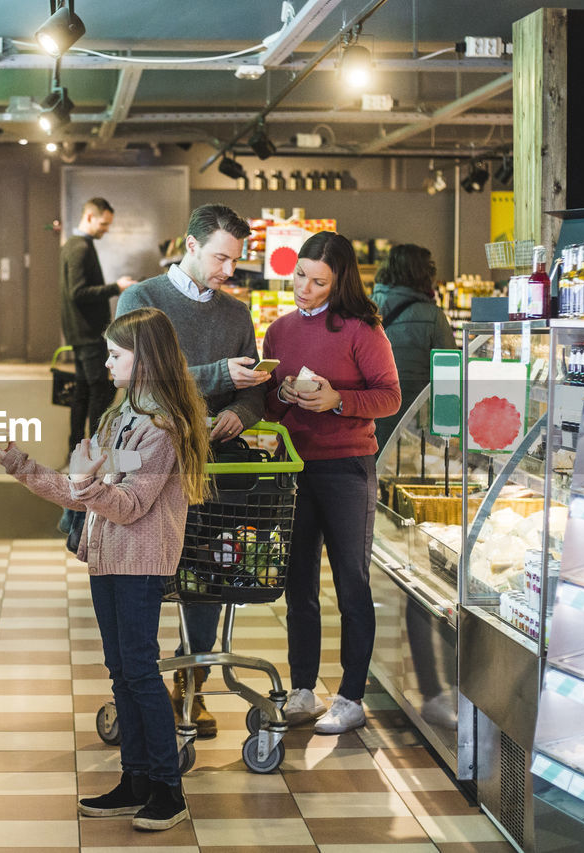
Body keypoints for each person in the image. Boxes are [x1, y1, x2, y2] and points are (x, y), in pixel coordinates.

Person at [0, 307, 210, 832]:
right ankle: (135, 781)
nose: (105, 363)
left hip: (141, 564)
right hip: (107, 561)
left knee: (141, 670)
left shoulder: (162, 428)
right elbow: (77, 492)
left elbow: (129, 505)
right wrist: (13, 461)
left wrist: (88, 482)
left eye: (115, 354)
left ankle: (168, 791)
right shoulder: (118, 417)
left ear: (145, 359)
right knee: (122, 672)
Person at [115, 203, 271, 737]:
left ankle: (193, 681)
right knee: (143, 578)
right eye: (220, 258)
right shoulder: (143, 300)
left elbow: (255, 395)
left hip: (211, 469)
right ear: (190, 245)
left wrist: (237, 412)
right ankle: (139, 683)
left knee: (208, 572)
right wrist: (213, 374)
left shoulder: (235, 316)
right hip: (148, 468)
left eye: (236, 260)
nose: (229, 271)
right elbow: (135, 380)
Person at [262, 231, 400, 735]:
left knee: (351, 583)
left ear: (339, 283)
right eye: (299, 275)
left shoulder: (364, 331)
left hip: (347, 467)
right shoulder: (279, 332)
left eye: (318, 281)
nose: (304, 287)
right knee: (298, 584)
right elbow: (270, 407)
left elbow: (389, 397)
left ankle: (351, 696)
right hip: (294, 468)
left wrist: (337, 399)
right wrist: (278, 393)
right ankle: (302, 689)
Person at [61, 197, 137, 451]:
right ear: (90, 217)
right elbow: (78, 292)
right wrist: (117, 287)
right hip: (88, 333)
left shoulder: (75, 245)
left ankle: (77, 451)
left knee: (83, 392)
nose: (106, 229)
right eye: (104, 224)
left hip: (80, 333)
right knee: (100, 392)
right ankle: (93, 452)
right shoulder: (80, 247)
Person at [370, 244, 456, 453]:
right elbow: (449, 378)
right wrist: (447, 434)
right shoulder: (432, 316)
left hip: (370, 419)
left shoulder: (367, 307)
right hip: (415, 424)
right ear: (424, 274)